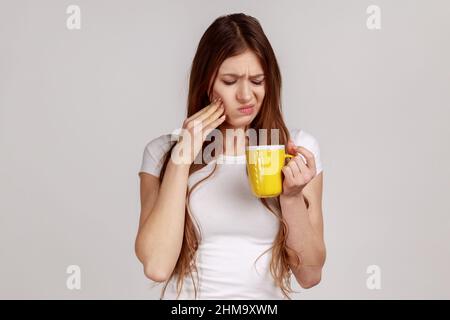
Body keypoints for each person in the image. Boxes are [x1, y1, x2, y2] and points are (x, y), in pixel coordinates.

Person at [135, 13, 325, 300]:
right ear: (206, 83)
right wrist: (181, 159)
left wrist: (292, 196)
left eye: (257, 81)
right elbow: (157, 266)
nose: (246, 95)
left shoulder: (295, 148)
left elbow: (310, 275)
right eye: (230, 80)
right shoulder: (162, 152)